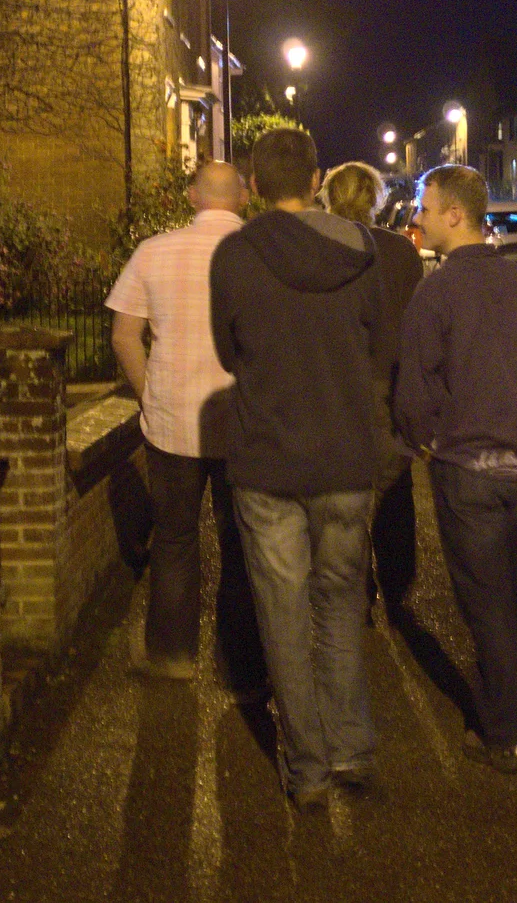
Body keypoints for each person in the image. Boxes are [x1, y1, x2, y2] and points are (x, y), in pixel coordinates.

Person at [209, 128, 388, 808]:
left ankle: (308, 768)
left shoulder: (234, 255)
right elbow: (377, 348)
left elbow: (228, 354)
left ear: (253, 186)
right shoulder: (362, 251)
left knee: (283, 614)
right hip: (345, 458)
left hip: (269, 465)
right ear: (315, 179)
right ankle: (352, 748)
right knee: (339, 605)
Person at [394, 164, 517, 774]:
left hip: (467, 468)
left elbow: (413, 387)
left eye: (423, 205)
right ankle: (505, 699)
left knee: (486, 601)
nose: (415, 217)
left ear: (454, 215)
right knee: (512, 592)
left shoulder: (434, 293)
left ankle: (509, 733)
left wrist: (424, 439)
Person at [105, 160, 264, 692]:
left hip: (173, 422)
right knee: (242, 542)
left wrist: (149, 392)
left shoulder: (154, 251)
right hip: (244, 422)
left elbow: (124, 335)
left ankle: (173, 653)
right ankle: (239, 661)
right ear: (242, 198)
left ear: (193, 196)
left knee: (174, 539)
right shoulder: (263, 252)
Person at [319, 162, 423, 617]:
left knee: (341, 498)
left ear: (328, 197)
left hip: (336, 386)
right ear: (377, 197)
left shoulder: (319, 247)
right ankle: (398, 590)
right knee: (394, 491)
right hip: (391, 384)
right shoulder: (400, 251)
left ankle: (355, 589)